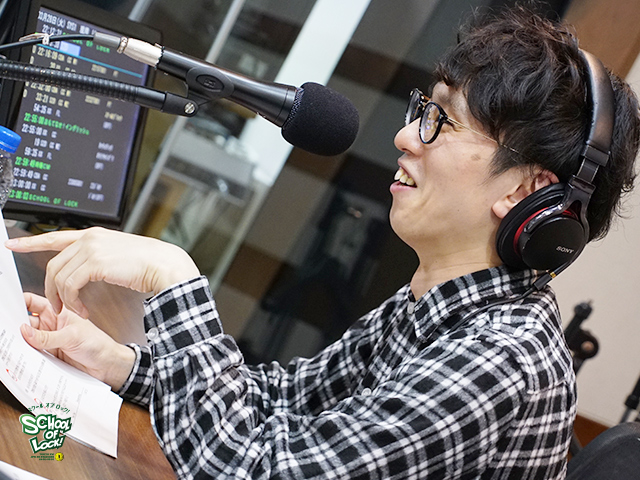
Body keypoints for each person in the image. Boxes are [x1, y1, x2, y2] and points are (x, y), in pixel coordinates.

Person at [5, 6, 640, 479]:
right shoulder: (439, 305)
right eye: (423, 110)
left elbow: (257, 469)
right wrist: (123, 367)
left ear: (524, 188)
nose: (406, 137)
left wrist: (174, 277)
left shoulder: (502, 358)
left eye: (442, 122)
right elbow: (282, 403)